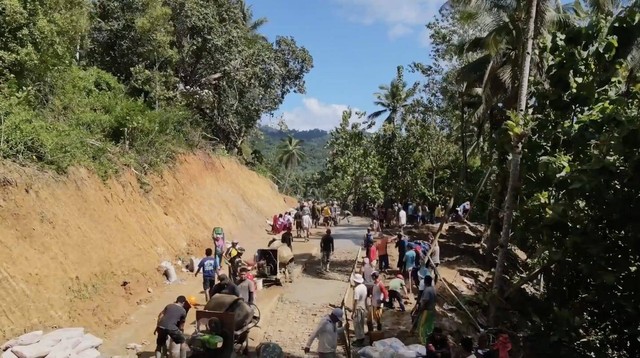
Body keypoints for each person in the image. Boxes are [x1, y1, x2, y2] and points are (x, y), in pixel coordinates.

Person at [415, 275, 437, 345]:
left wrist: (420, 309)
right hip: (432, 310)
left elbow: (424, 301)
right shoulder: (434, 289)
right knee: (429, 326)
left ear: (424, 282)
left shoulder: (427, 290)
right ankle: (429, 341)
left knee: (421, 326)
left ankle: (423, 343)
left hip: (426, 311)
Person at [351, 274, 368, 347]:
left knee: (357, 325)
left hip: (358, 308)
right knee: (361, 324)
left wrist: (353, 312)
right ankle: (361, 338)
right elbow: (366, 298)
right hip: (363, 307)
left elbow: (355, 301)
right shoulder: (364, 287)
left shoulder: (357, 289)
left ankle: (360, 340)